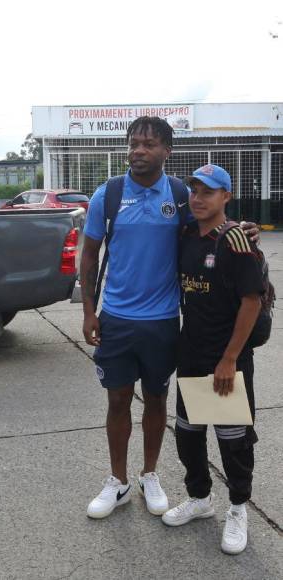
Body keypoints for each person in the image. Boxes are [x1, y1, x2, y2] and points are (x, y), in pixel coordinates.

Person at [80, 117, 258, 521]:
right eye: (133, 143)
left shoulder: (180, 195)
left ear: (166, 151)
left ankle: (150, 474)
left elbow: (212, 227)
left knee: (158, 400)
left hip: (163, 322)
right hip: (117, 320)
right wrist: (90, 311)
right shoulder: (106, 196)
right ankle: (118, 481)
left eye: (148, 144)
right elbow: (89, 255)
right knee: (118, 400)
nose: (138, 150)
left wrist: (244, 229)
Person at [161, 164, 263, 556]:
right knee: (188, 433)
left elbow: (251, 302)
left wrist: (230, 359)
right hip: (192, 353)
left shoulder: (236, 240)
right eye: (194, 191)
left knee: (233, 439)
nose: (199, 198)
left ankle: (238, 507)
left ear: (226, 197)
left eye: (208, 192)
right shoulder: (187, 234)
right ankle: (200, 499)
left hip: (228, 358)